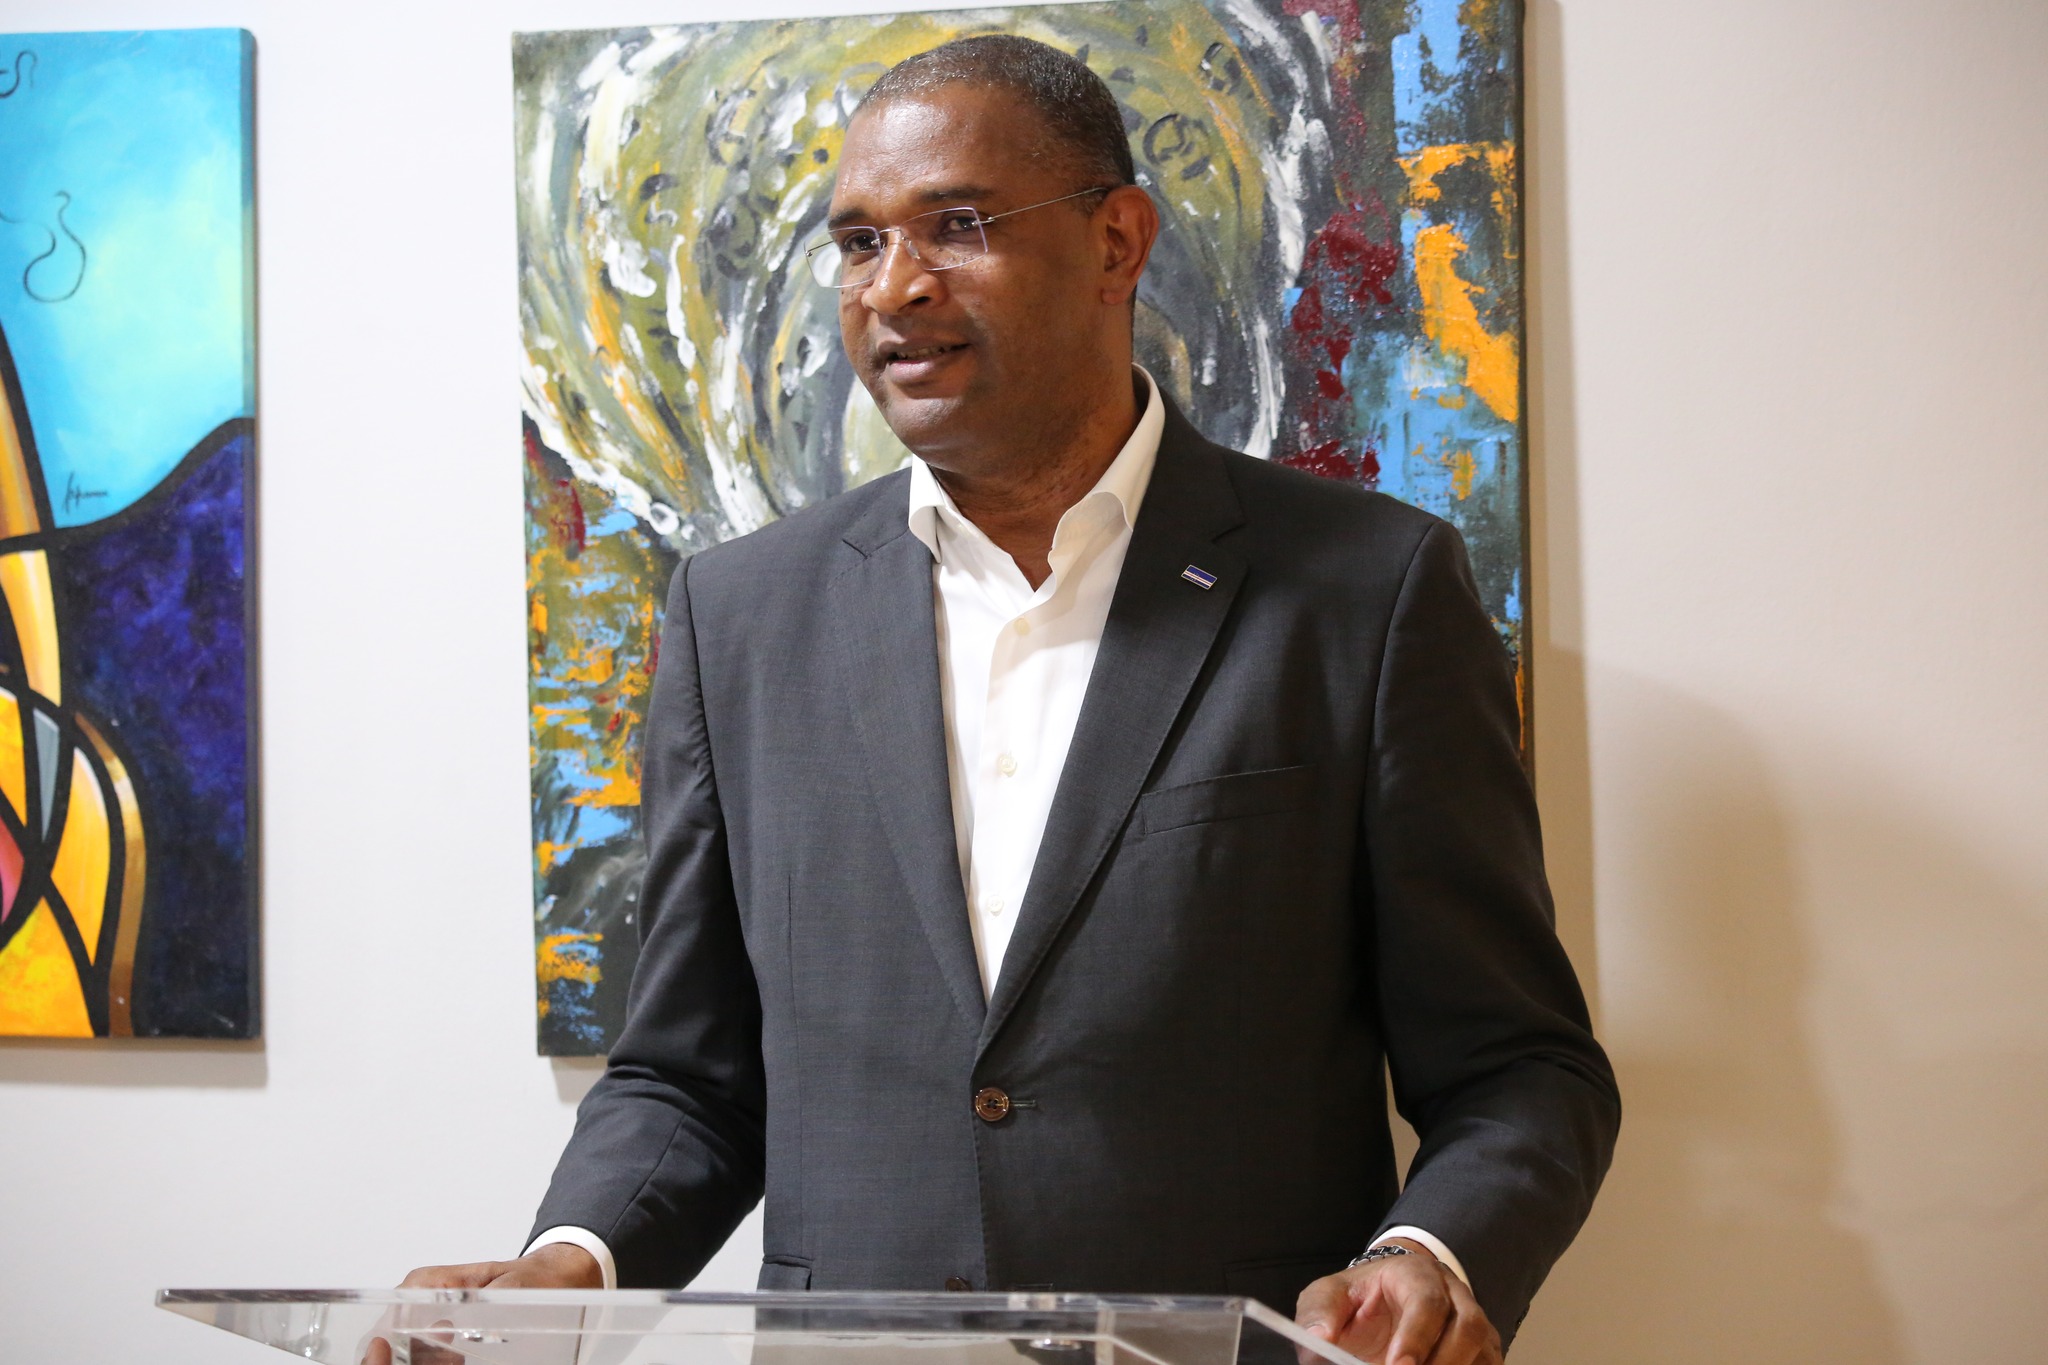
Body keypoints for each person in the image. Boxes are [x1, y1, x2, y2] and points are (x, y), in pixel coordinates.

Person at [401, 36, 1619, 1365]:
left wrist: (1427, 1252)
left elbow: (1518, 1067)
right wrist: (566, 1265)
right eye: (858, 243)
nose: (895, 287)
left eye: (958, 227)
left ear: (1117, 243)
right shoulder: (738, 616)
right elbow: (690, 1078)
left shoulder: (1367, 591)